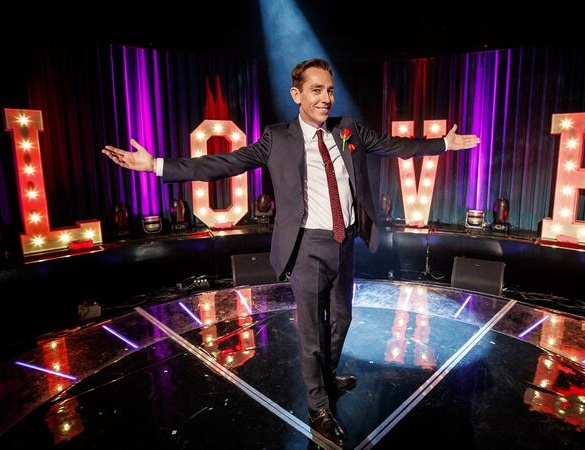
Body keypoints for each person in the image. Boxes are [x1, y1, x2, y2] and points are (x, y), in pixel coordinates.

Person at [102, 58, 479, 446]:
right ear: (296, 94)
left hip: (344, 242)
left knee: (342, 320)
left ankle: (326, 379)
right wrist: (156, 165)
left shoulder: (347, 130)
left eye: (329, 90)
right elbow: (224, 163)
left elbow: (395, 145)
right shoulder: (277, 138)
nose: (326, 98)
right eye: (316, 90)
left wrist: (443, 144)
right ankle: (318, 407)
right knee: (312, 333)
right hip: (307, 247)